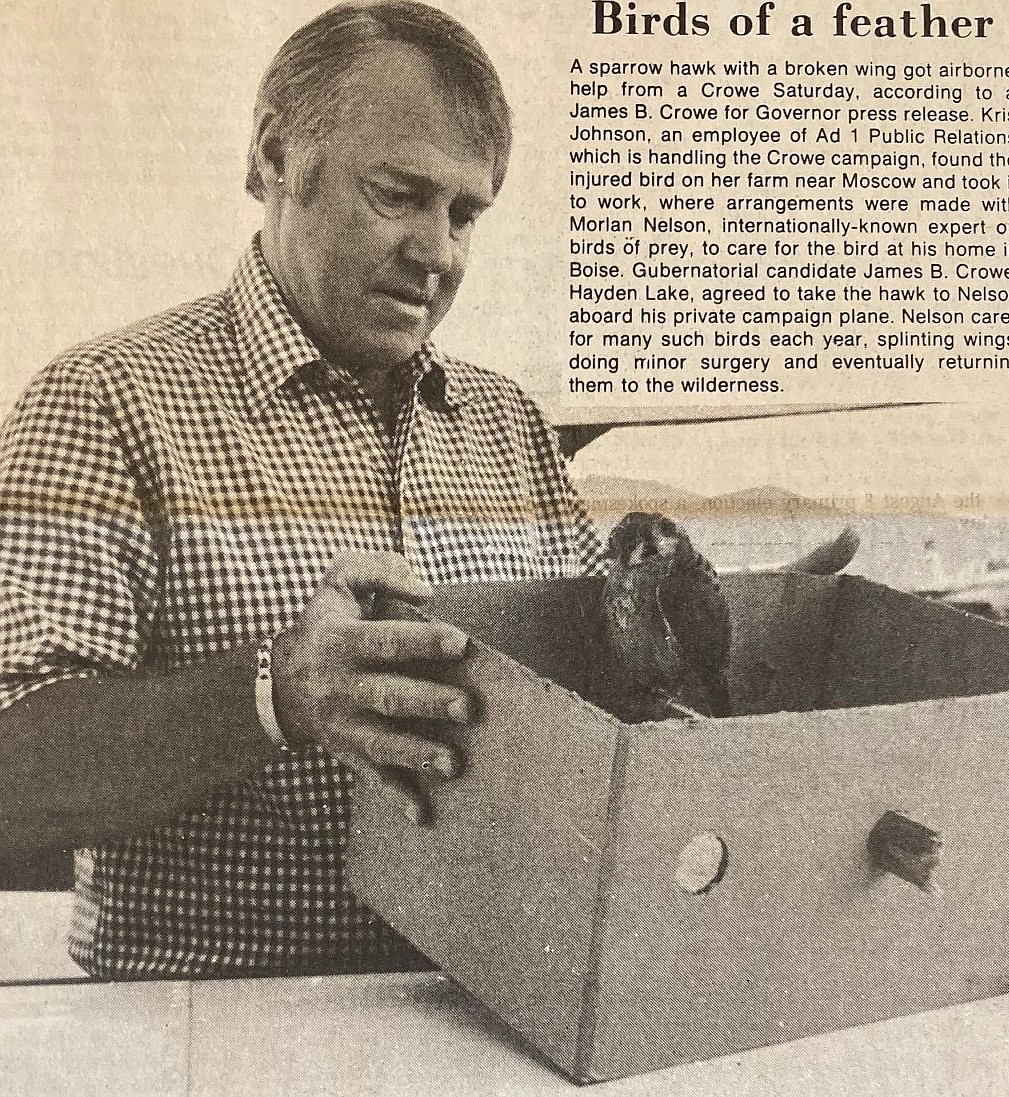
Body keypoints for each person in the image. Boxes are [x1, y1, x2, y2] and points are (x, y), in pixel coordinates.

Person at [0, 1, 601, 979]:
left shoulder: (511, 427)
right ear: (273, 158)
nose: (437, 252)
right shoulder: (104, 402)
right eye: (399, 193)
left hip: (490, 1023)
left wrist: (698, 643)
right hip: (211, 1034)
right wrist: (275, 692)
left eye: (464, 213)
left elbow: (600, 713)